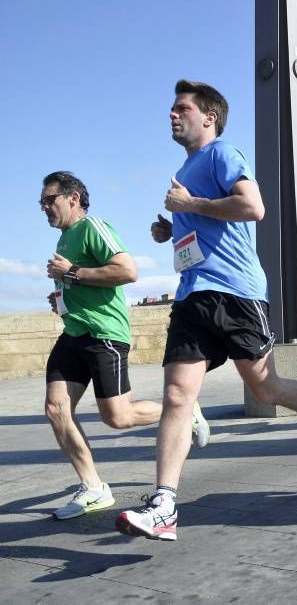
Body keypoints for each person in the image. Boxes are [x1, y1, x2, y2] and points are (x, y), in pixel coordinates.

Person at [116, 80, 297, 541]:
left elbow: (253, 206)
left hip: (235, 294)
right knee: (178, 396)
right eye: (171, 108)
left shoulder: (224, 154)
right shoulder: (186, 167)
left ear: (209, 117)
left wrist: (191, 204)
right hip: (191, 295)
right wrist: (174, 227)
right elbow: (206, 221)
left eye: (181, 108)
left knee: (265, 388)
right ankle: (164, 504)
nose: (171, 114)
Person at [40, 171, 209, 521]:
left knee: (117, 417)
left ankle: (184, 409)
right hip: (73, 333)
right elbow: (79, 280)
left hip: (105, 333)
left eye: (49, 200)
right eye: (41, 202)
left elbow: (127, 270)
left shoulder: (92, 227)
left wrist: (71, 273)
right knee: (56, 409)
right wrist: (62, 293)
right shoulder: (65, 239)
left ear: (73, 198)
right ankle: (94, 488)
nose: (44, 208)